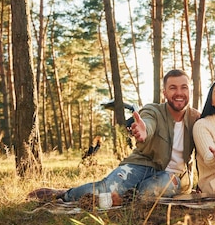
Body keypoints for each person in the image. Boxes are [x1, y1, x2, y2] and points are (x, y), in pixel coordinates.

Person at [28, 69, 200, 205]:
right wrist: (143, 130)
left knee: (151, 192)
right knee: (104, 190)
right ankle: (65, 194)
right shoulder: (153, 110)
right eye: (173, 88)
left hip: (173, 177)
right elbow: (148, 122)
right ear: (164, 92)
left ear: (190, 90)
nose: (179, 93)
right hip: (143, 165)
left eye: (183, 87)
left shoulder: (195, 119)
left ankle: (125, 198)